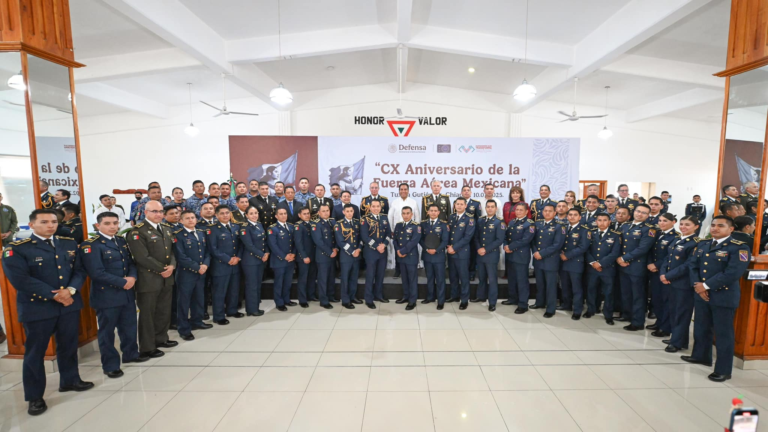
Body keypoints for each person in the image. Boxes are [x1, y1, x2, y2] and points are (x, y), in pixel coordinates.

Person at [2, 209, 93, 415]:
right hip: (38, 307)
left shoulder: (68, 243)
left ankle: (70, 380)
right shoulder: (17, 248)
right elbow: (21, 280)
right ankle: (34, 397)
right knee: (35, 353)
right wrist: (55, 295)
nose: (50, 225)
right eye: (44, 222)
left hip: (69, 304)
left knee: (68, 346)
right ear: (32, 224)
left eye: (53, 221)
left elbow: (79, 270)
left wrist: (69, 291)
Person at [682, 215, 750, 382]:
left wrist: (705, 286)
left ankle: (723, 369)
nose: (715, 228)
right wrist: (698, 285)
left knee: (723, 333)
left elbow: (733, 273)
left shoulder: (739, 248)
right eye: (713, 225)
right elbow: (693, 265)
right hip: (701, 293)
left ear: (731, 229)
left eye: (720, 226)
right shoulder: (703, 244)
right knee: (701, 327)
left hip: (723, 296)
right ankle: (701, 356)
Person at [81, 211, 148, 377]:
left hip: (126, 293)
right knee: (107, 332)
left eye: (115, 223)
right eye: (107, 223)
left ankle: (131, 354)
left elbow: (130, 263)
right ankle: (110, 365)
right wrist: (123, 282)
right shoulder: (91, 245)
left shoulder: (120, 240)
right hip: (107, 295)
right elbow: (96, 272)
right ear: (98, 226)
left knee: (129, 326)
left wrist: (132, 277)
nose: (112, 227)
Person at [126, 200, 177, 357]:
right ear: (146, 213)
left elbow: (172, 252)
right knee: (148, 314)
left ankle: (161, 338)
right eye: (154, 211)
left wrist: (172, 266)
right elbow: (142, 257)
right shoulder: (137, 232)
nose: (158, 214)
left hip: (166, 277)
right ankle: (147, 347)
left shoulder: (167, 229)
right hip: (148, 279)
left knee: (163, 310)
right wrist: (163, 269)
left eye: (161, 211)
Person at [660, 215, 700, 353]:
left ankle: (677, 342)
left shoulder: (695, 243)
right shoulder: (677, 239)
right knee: (673, 310)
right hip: (671, 281)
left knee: (682, 312)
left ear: (696, 226)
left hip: (683, 283)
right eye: (682, 224)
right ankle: (677, 338)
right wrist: (663, 273)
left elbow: (688, 265)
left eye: (687, 224)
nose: (683, 227)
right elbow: (668, 258)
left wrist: (668, 275)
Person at [173, 210, 213, 340]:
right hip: (186, 274)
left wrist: (205, 265)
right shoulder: (178, 235)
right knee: (184, 302)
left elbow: (207, 252)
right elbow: (181, 256)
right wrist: (197, 267)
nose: (191, 220)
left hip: (201, 272)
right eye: (187, 218)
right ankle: (184, 329)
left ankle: (197, 321)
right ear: (181, 221)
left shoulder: (201, 233)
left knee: (199, 298)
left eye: (192, 218)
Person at [616, 203, 657, 331]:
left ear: (648, 215)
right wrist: (620, 259)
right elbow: (619, 245)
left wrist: (624, 258)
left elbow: (643, 249)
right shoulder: (626, 225)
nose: (640, 214)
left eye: (643, 213)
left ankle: (638, 321)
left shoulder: (649, 229)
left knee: (638, 295)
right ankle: (627, 315)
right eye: (638, 211)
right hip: (623, 266)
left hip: (637, 267)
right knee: (626, 293)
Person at [207, 205, 243, 322]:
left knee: (233, 289)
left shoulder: (235, 227)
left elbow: (241, 244)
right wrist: (228, 259)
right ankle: (219, 316)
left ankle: (232, 310)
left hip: (235, 264)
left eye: (227, 213)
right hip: (221, 265)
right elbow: (213, 249)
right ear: (216, 215)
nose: (225, 215)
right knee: (219, 292)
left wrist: (238, 257)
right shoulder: (212, 229)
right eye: (222, 213)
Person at [646, 213, 680, 338]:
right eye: (660, 220)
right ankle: (659, 322)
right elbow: (650, 250)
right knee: (656, 299)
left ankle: (665, 327)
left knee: (666, 300)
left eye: (665, 221)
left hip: (664, 272)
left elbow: (669, 256)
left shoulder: (675, 237)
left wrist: (656, 265)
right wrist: (650, 263)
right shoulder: (658, 234)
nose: (661, 223)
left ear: (673, 222)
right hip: (653, 271)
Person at [585, 213, 622, 324]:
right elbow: (586, 250)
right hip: (592, 269)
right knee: (591, 290)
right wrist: (593, 263)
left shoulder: (615, 235)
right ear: (596, 221)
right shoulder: (590, 233)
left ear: (609, 222)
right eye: (599, 220)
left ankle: (608, 315)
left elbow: (615, 253)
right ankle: (590, 310)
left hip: (607, 269)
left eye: (605, 220)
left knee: (608, 293)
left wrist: (600, 264)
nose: (602, 222)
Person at [530, 203, 565, 317]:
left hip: (550, 260)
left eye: (550, 211)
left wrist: (541, 253)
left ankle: (550, 308)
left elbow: (557, 245)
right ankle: (540, 302)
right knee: (540, 284)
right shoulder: (538, 223)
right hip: (538, 259)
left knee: (551, 285)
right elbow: (533, 240)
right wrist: (535, 252)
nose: (547, 213)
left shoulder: (560, 226)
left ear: (555, 213)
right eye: (545, 211)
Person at [472, 200, 505, 311]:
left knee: (492, 279)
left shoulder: (499, 222)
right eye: (488, 207)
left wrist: (485, 249)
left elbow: (499, 240)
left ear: (496, 209)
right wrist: (478, 248)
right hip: (480, 254)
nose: (490, 209)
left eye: (492, 207)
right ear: (485, 208)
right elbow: (476, 236)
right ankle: (481, 296)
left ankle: (492, 302)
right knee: (481, 278)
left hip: (491, 255)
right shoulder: (481, 220)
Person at [559, 208, 590, 320]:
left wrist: (567, 255)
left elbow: (583, 247)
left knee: (576, 287)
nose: (572, 217)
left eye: (575, 215)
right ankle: (567, 305)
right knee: (565, 286)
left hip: (575, 263)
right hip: (563, 262)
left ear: (579, 217)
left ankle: (577, 310)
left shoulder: (584, 230)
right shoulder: (563, 228)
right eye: (570, 215)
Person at [502, 203, 534, 313]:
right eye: (517, 210)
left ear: (526, 212)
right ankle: (513, 298)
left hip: (521, 256)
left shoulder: (529, 224)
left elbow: (525, 240)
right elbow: (506, 236)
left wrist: (510, 247)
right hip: (510, 255)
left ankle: (523, 304)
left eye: (521, 210)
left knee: (522, 281)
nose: (518, 212)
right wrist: (506, 245)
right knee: (512, 279)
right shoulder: (512, 222)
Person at [360, 200, 391, 308]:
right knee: (370, 276)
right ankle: (369, 299)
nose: (376, 208)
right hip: (371, 252)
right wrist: (377, 246)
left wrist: (384, 244)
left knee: (380, 275)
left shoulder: (384, 218)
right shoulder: (365, 219)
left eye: (378, 206)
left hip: (382, 252)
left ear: (381, 207)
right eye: (373, 206)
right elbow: (365, 236)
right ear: (370, 207)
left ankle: (379, 295)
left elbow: (388, 234)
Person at [240, 206, 270, 315]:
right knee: (251, 285)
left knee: (257, 284)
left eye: (256, 213)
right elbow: (249, 245)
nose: (254, 215)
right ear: (246, 215)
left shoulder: (259, 225)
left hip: (261, 260)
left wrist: (266, 252)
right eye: (251, 213)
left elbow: (264, 241)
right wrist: (262, 254)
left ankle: (256, 306)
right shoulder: (245, 227)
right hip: (250, 261)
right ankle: (251, 309)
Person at [446, 197, 475, 309]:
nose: (459, 206)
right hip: (451, 252)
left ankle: (464, 300)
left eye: (461, 204)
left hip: (462, 253)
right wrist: (448, 246)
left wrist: (454, 247)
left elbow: (467, 237)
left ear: (465, 206)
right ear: (454, 205)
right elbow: (449, 233)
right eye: (457, 204)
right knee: (453, 276)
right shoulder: (452, 217)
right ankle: (454, 296)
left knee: (463, 277)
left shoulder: (470, 219)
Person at [420, 204, 449, 309]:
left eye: (435, 210)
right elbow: (420, 239)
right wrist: (427, 249)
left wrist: (436, 250)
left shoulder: (443, 225)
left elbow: (445, 240)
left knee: (440, 279)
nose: (433, 212)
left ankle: (441, 301)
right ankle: (430, 297)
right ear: (427, 212)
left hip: (439, 256)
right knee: (430, 278)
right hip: (427, 256)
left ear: (438, 212)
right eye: (431, 210)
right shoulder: (423, 224)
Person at [267, 208, 297, 311]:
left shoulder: (291, 226)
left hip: (290, 260)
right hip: (279, 260)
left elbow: (295, 242)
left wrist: (293, 254)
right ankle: (279, 302)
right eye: (281, 214)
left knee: (288, 281)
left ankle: (286, 299)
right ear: (276, 216)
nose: (283, 215)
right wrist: (284, 256)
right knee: (279, 282)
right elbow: (273, 245)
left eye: (285, 213)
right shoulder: (272, 228)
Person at [389, 183, 420, 277]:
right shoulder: (394, 202)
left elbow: (417, 217)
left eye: (405, 189)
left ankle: (411, 268)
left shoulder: (413, 202)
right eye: (401, 189)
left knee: (409, 249)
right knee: (398, 250)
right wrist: (391, 229)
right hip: (398, 230)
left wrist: (416, 230)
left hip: (410, 231)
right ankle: (398, 270)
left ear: (408, 190)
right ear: (399, 191)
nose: (403, 191)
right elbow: (390, 217)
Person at [335, 204, 362, 309]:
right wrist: (352, 251)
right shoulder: (339, 224)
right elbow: (340, 241)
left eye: (351, 211)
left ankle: (353, 296)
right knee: (345, 279)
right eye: (348, 211)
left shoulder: (357, 222)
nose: (350, 213)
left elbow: (360, 238)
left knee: (354, 278)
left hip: (357, 255)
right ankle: (345, 300)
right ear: (343, 212)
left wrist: (359, 249)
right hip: (346, 256)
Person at [312, 204, 339, 309]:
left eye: (327, 210)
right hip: (323, 256)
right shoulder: (316, 224)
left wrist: (336, 248)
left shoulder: (333, 221)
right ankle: (323, 300)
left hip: (333, 254)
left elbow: (337, 237)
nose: (326, 213)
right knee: (323, 279)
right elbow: (319, 241)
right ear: (319, 213)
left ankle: (331, 296)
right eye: (323, 211)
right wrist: (330, 252)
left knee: (331, 277)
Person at [394, 206, 420, 310]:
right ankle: (405, 296)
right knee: (404, 278)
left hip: (410, 257)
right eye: (403, 213)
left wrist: (403, 251)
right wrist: (398, 251)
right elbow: (395, 240)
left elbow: (414, 241)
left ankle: (412, 301)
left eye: (408, 213)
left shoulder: (416, 226)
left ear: (412, 214)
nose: (405, 215)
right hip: (400, 256)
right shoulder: (398, 225)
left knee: (412, 279)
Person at [458, 186, 482, 281]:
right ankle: (461, 273)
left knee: (472, 254)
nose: (466, 192)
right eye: (464, 190)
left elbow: (478, 219)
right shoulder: (457, 202)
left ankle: (471, 273)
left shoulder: (476, 203)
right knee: (461, 254)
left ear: (471, 192)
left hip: (471, 233)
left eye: (468, 190)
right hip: (460, 233)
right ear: (461, 192)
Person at [293, 207, 316, 308]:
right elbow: (298, 243)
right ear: (299, 215)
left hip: (313, 256)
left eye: (308, 213)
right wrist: (304, 256)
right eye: (304, 214)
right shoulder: (298, 226)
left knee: (311, 277)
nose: (307, 215)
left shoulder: (312, 224)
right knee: (303, 278)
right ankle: (302, 299)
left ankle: (311, 295)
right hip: (304, 257)